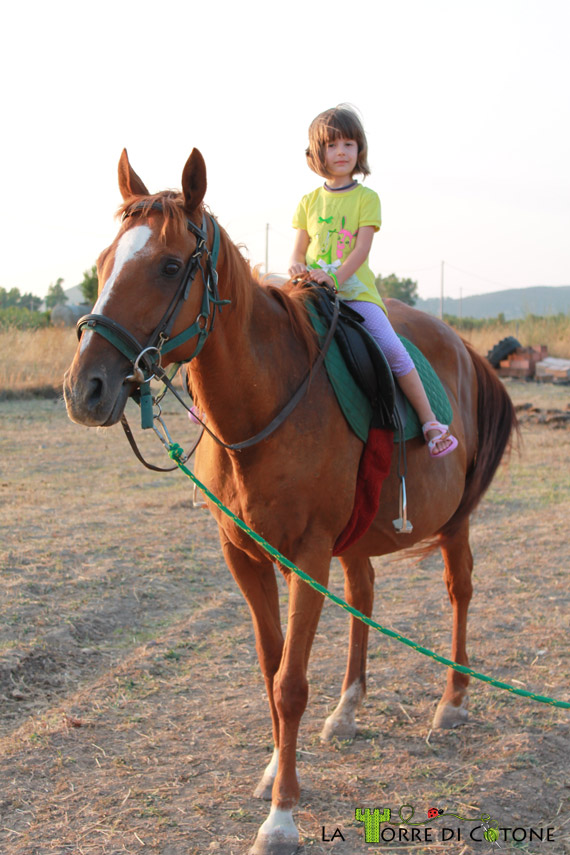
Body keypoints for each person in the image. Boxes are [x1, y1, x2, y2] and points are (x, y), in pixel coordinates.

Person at [288, 105, 457, 458]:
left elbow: (361, 250)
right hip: (311, 293)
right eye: (332, 145)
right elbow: (298, 252)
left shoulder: (366, 198)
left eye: (349, 144)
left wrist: (333, 277)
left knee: (393, 349)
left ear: (359, 150)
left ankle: (429, 423)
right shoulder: (308, 202)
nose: (341, 152)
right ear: (318, 153)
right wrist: (295, 268)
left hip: (354, 294)